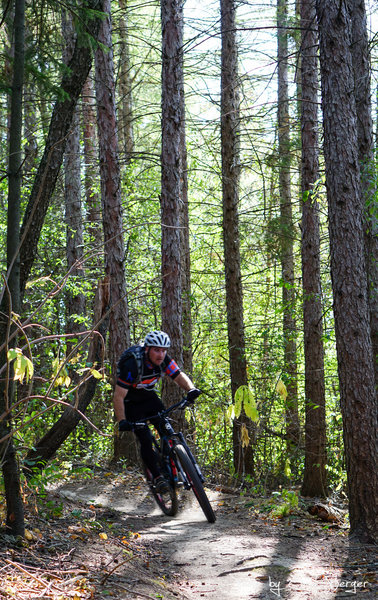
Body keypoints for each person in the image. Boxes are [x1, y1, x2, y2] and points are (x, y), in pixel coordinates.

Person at [112, 330, 201, 493]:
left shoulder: (164, 360)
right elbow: (118, 396)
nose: (161, 354)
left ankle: (172, 459)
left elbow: (178, 375)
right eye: (156, 350)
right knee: (145, 438)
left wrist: (191, 389)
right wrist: (122, 420)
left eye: (163, 350)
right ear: (147, 349)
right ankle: (158, 477)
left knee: (166, 428)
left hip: (149, 398)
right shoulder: (132, 364)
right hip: (130, 403)